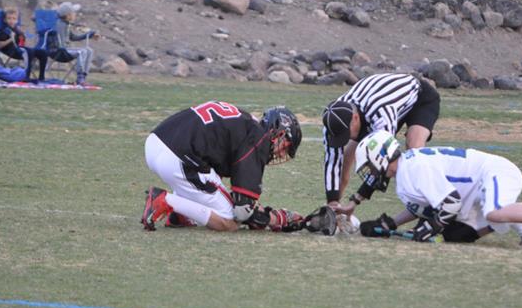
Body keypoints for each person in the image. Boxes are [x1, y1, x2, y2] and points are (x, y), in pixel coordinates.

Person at [354, 131, 522, 250]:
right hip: (476, 190)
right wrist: (391, 224)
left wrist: (431, 227)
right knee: (457, 235)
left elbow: (450, 202)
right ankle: (521, 224)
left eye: (370, 167)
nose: (370, 173)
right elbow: (422, 206)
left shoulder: (413, 169)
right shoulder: (406, 171)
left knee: (495, 211)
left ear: (381, 157)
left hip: (492, 172)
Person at [142, 102, 305, 232]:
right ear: (279, 133)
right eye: (285, 147)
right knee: (229, 221)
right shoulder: (258, 138)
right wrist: (275, 219)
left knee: (211, 187)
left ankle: (180, 215)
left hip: (157, 143)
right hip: (178, 155)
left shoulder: (246, 125)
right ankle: (164, 201)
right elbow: (242, 211)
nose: (282, 153)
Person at [321, 73, 440, 216]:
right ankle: (335, 212)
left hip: (419, 98)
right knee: (347, 158)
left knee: (414, 150)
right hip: (380, 107)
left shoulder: (381, 115)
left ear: (355, 118)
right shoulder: (333, 120)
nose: (345, 138)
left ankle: (429, 205)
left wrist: (356, 200)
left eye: (346, 133)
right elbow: (333, 161)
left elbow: (386, 159)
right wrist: (332, 201)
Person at [41, 2, 96, 85]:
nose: (75, 14)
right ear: (68, 15)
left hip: (65, 51)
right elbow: (52, 37)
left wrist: (89, 34)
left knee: (89, 50)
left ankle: (83, 77)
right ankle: (80, 78)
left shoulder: (66, 24)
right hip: (58, 52)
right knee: (82, 52)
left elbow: (73, 37)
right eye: (73, 13)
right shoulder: (58, 24)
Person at [0, 7, 34, 77]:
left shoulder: (19, 31)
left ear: (17, 20)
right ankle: (26, 76)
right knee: (29, 52)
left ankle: (41, 77)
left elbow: (23, 43)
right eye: (9, 18)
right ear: (5, 20)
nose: (11, 21)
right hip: (11, 52)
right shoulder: (4, 32)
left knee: (41, 52)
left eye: (14, 19)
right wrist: (10, 40)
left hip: (20, 49)